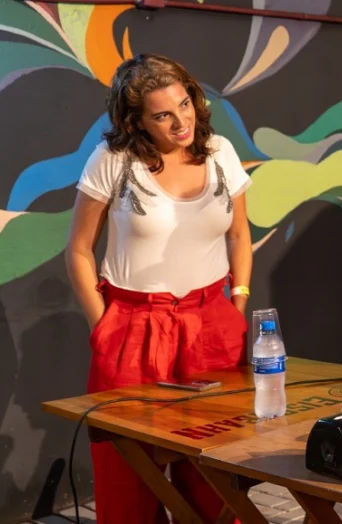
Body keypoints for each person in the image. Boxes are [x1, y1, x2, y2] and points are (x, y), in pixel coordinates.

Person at [65, 54, 253, 523]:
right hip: (132, 327)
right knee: (129, 480)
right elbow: (79, 249)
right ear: (136, 121)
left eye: (184, 104)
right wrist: (103, 327)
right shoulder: (112, 159)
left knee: (216, 471)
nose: (181, 121)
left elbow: (239, 235)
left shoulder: (221, 152)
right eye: (163, 115)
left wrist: (237, 304)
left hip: (211, 325)